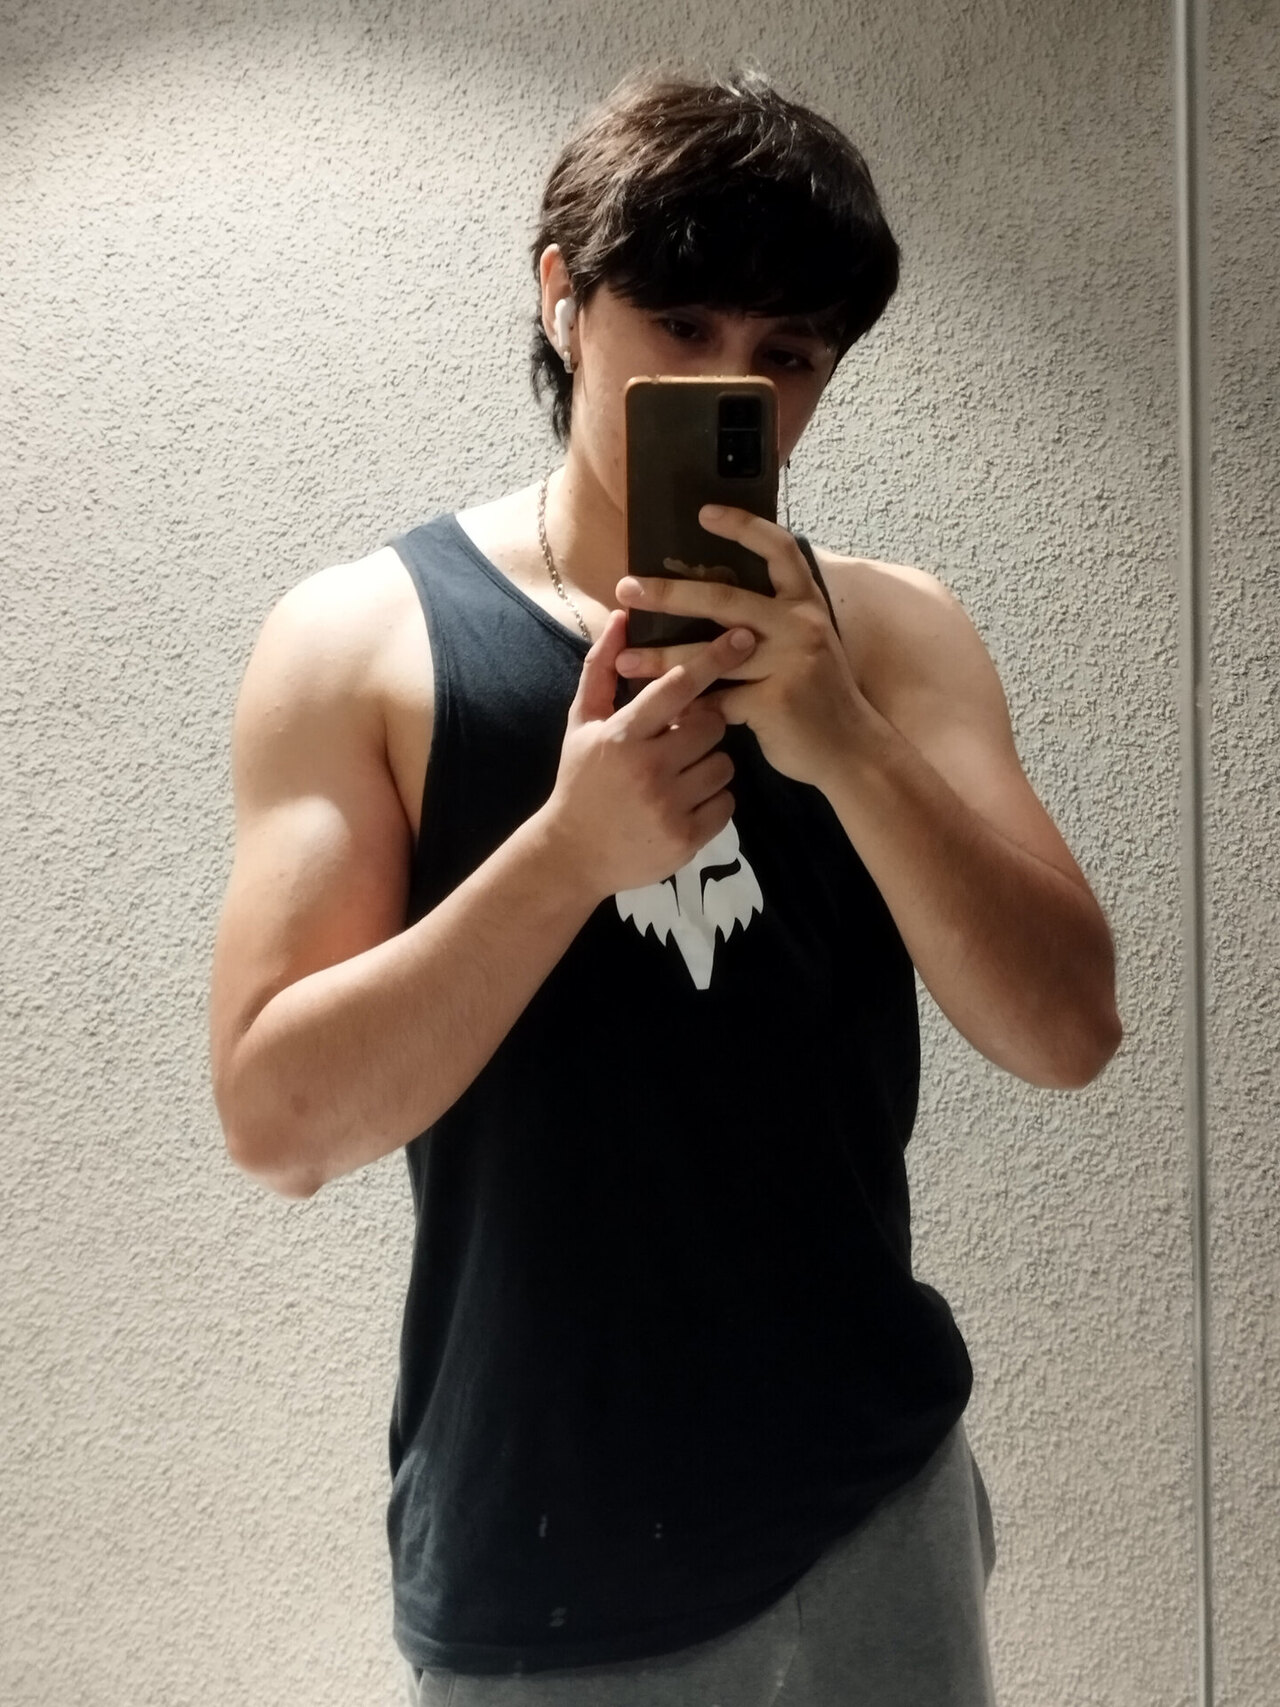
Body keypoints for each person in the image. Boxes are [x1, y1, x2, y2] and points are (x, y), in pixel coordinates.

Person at [208, 65, 1122, 1707]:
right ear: (562, 297)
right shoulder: (363, 644)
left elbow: (1067, 1033)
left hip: (873, 1501)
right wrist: (566, 855)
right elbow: (282, 1125)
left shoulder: (894, 636)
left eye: (790, 355)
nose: (733, 388)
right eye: (682, 326)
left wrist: (849, 748)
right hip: (541, 1547)